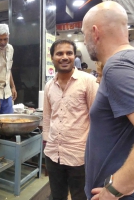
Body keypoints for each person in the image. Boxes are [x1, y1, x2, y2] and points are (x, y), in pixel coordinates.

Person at [82, 1, 134, 200]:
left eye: (83, 34)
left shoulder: (118, 66)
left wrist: (115, 189)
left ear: (95, 32)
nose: (85, 41)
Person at [42, 39, 98, 200]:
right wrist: (47, 144)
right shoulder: (49, 86)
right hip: (53, 153)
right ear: (52, 57)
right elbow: (47, 117)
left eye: (69, 53)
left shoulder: (88, 81)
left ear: (75, 56)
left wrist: (94, 152)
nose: (64, 57)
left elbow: (97, 118)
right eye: (59, 53)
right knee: (57, 195)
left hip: (79, 155)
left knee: (80, 196)